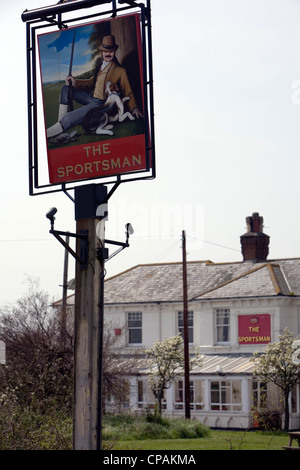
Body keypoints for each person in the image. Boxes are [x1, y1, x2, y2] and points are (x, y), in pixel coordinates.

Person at [46, 35, 143, 138]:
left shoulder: (120, 71)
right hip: (90, 97)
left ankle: (49, 132)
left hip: (99, 104)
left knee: (67, 118)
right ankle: (60, 124)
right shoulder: (101, 66)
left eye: (111, 51)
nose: (108, 53)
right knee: (66, 89)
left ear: (114, 52)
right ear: (101, 52)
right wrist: (74, 82)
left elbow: (128, 91)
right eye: (105, 51)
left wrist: (134, 108)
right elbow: (92, 82)